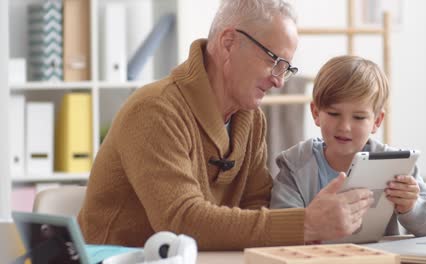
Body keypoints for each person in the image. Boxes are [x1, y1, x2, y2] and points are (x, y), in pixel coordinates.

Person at [78, 0, 374, 250]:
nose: (279, 80)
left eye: (287, 67)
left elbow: (258, 204)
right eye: (274, 61)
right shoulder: (154, 110)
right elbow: (182, 220)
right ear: (229, 43)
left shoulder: (252, 119)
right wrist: (305, 223)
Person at [270, 55, 426, 238]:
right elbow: (279, 231)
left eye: (359, 117)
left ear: (377, 121)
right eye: (334, 113)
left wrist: (412, 207)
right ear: (316, 113)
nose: (344, 127)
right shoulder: (295, 165)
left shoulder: (396, 166)